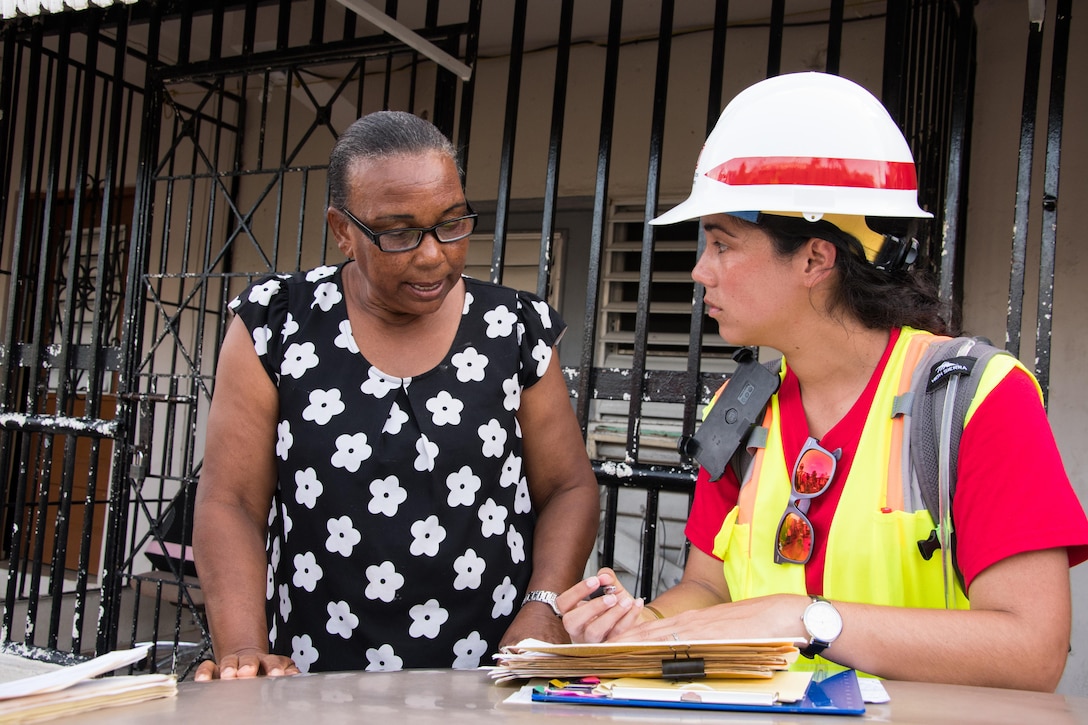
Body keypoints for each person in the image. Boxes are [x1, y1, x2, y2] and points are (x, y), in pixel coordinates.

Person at [554, 72, 1088, 692]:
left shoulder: (979, 398)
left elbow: (1032, 650)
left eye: (722, 244)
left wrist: (807, 619)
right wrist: (642, 627)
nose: (700, 271)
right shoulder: (743, 404)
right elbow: (707, 587)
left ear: (814, 258)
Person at [193, 111, 599, 679]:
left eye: (452, 224)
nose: (434, 254)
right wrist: (243, 649)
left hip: (487, 679)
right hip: (311, 680)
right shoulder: (277, 323)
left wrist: (543, 606)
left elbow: (568, 487)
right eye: (400, 232)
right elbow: (230, 501)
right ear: (343, 229)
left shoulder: (514, 328)